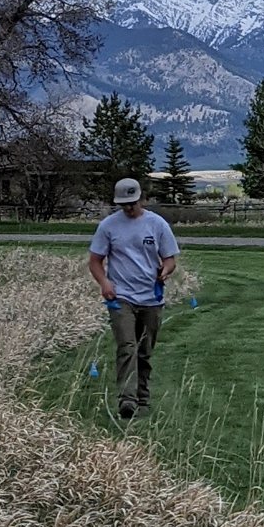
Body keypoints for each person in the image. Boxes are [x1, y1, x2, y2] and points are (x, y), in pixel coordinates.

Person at [87, 176, 179, 419]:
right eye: (123, 204)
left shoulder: (157, 225)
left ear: (141, 199)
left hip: (151, 297)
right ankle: (127, 401)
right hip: (121, 297)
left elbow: (170, 259)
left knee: (144, 350)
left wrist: (166, 271)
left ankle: (143, 397)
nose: (128, 208)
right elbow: (95, 261)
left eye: (132, 203)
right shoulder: (108, 226)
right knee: (127, 346)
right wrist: (105, 282)